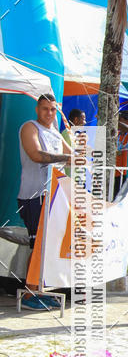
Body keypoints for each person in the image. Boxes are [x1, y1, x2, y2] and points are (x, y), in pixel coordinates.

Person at [18, 93, 71, 248]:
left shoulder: (55, 131)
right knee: (38, 250)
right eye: (45, 109)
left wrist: (86, 151)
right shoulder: (30, 127)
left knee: (52, 249)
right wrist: (67, 158)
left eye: (53, 110)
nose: (49, 113)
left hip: (56, 195)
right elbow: (36, 155)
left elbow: (73, 157)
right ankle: (30, 274)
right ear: (37, 109)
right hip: (34, 197)